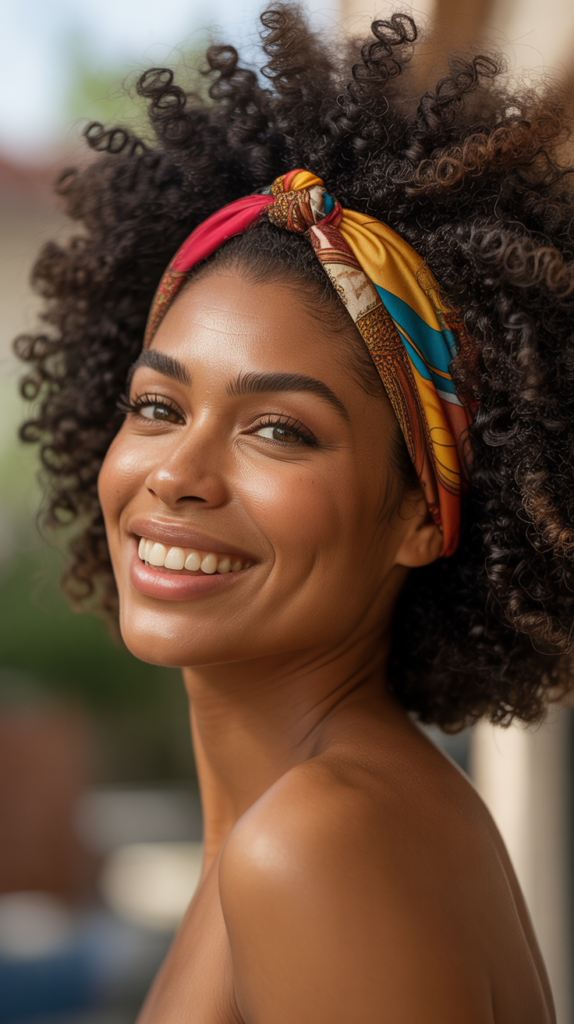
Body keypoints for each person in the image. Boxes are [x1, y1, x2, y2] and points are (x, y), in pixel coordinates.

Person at [16, 5, 572, 1020]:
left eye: (279, 429)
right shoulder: (315, 816)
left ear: (420, 514)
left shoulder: (318, 844)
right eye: (157, 405)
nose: (177, 472)